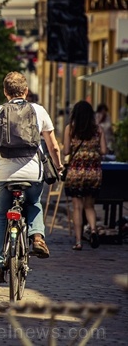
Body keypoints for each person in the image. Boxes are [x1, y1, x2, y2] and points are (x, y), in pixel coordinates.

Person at [0, 71, 63, 284]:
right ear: (26, 91)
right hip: (32, 173)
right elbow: (53, 145)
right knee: (34, 202)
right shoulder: (39, 111)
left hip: (4, 174)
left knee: (1, 215)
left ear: (5, 92)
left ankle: (0, 265)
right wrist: (59, 165)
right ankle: (37, 237)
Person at [64, 100, 108, 250]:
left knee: (77, 207)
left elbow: (66, 152)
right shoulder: (98, 130)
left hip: (76, 172)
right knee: (89, 206)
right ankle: (94, 230)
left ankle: (78, 241)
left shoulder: (70, 129)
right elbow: (103, 151)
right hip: (93, 172)